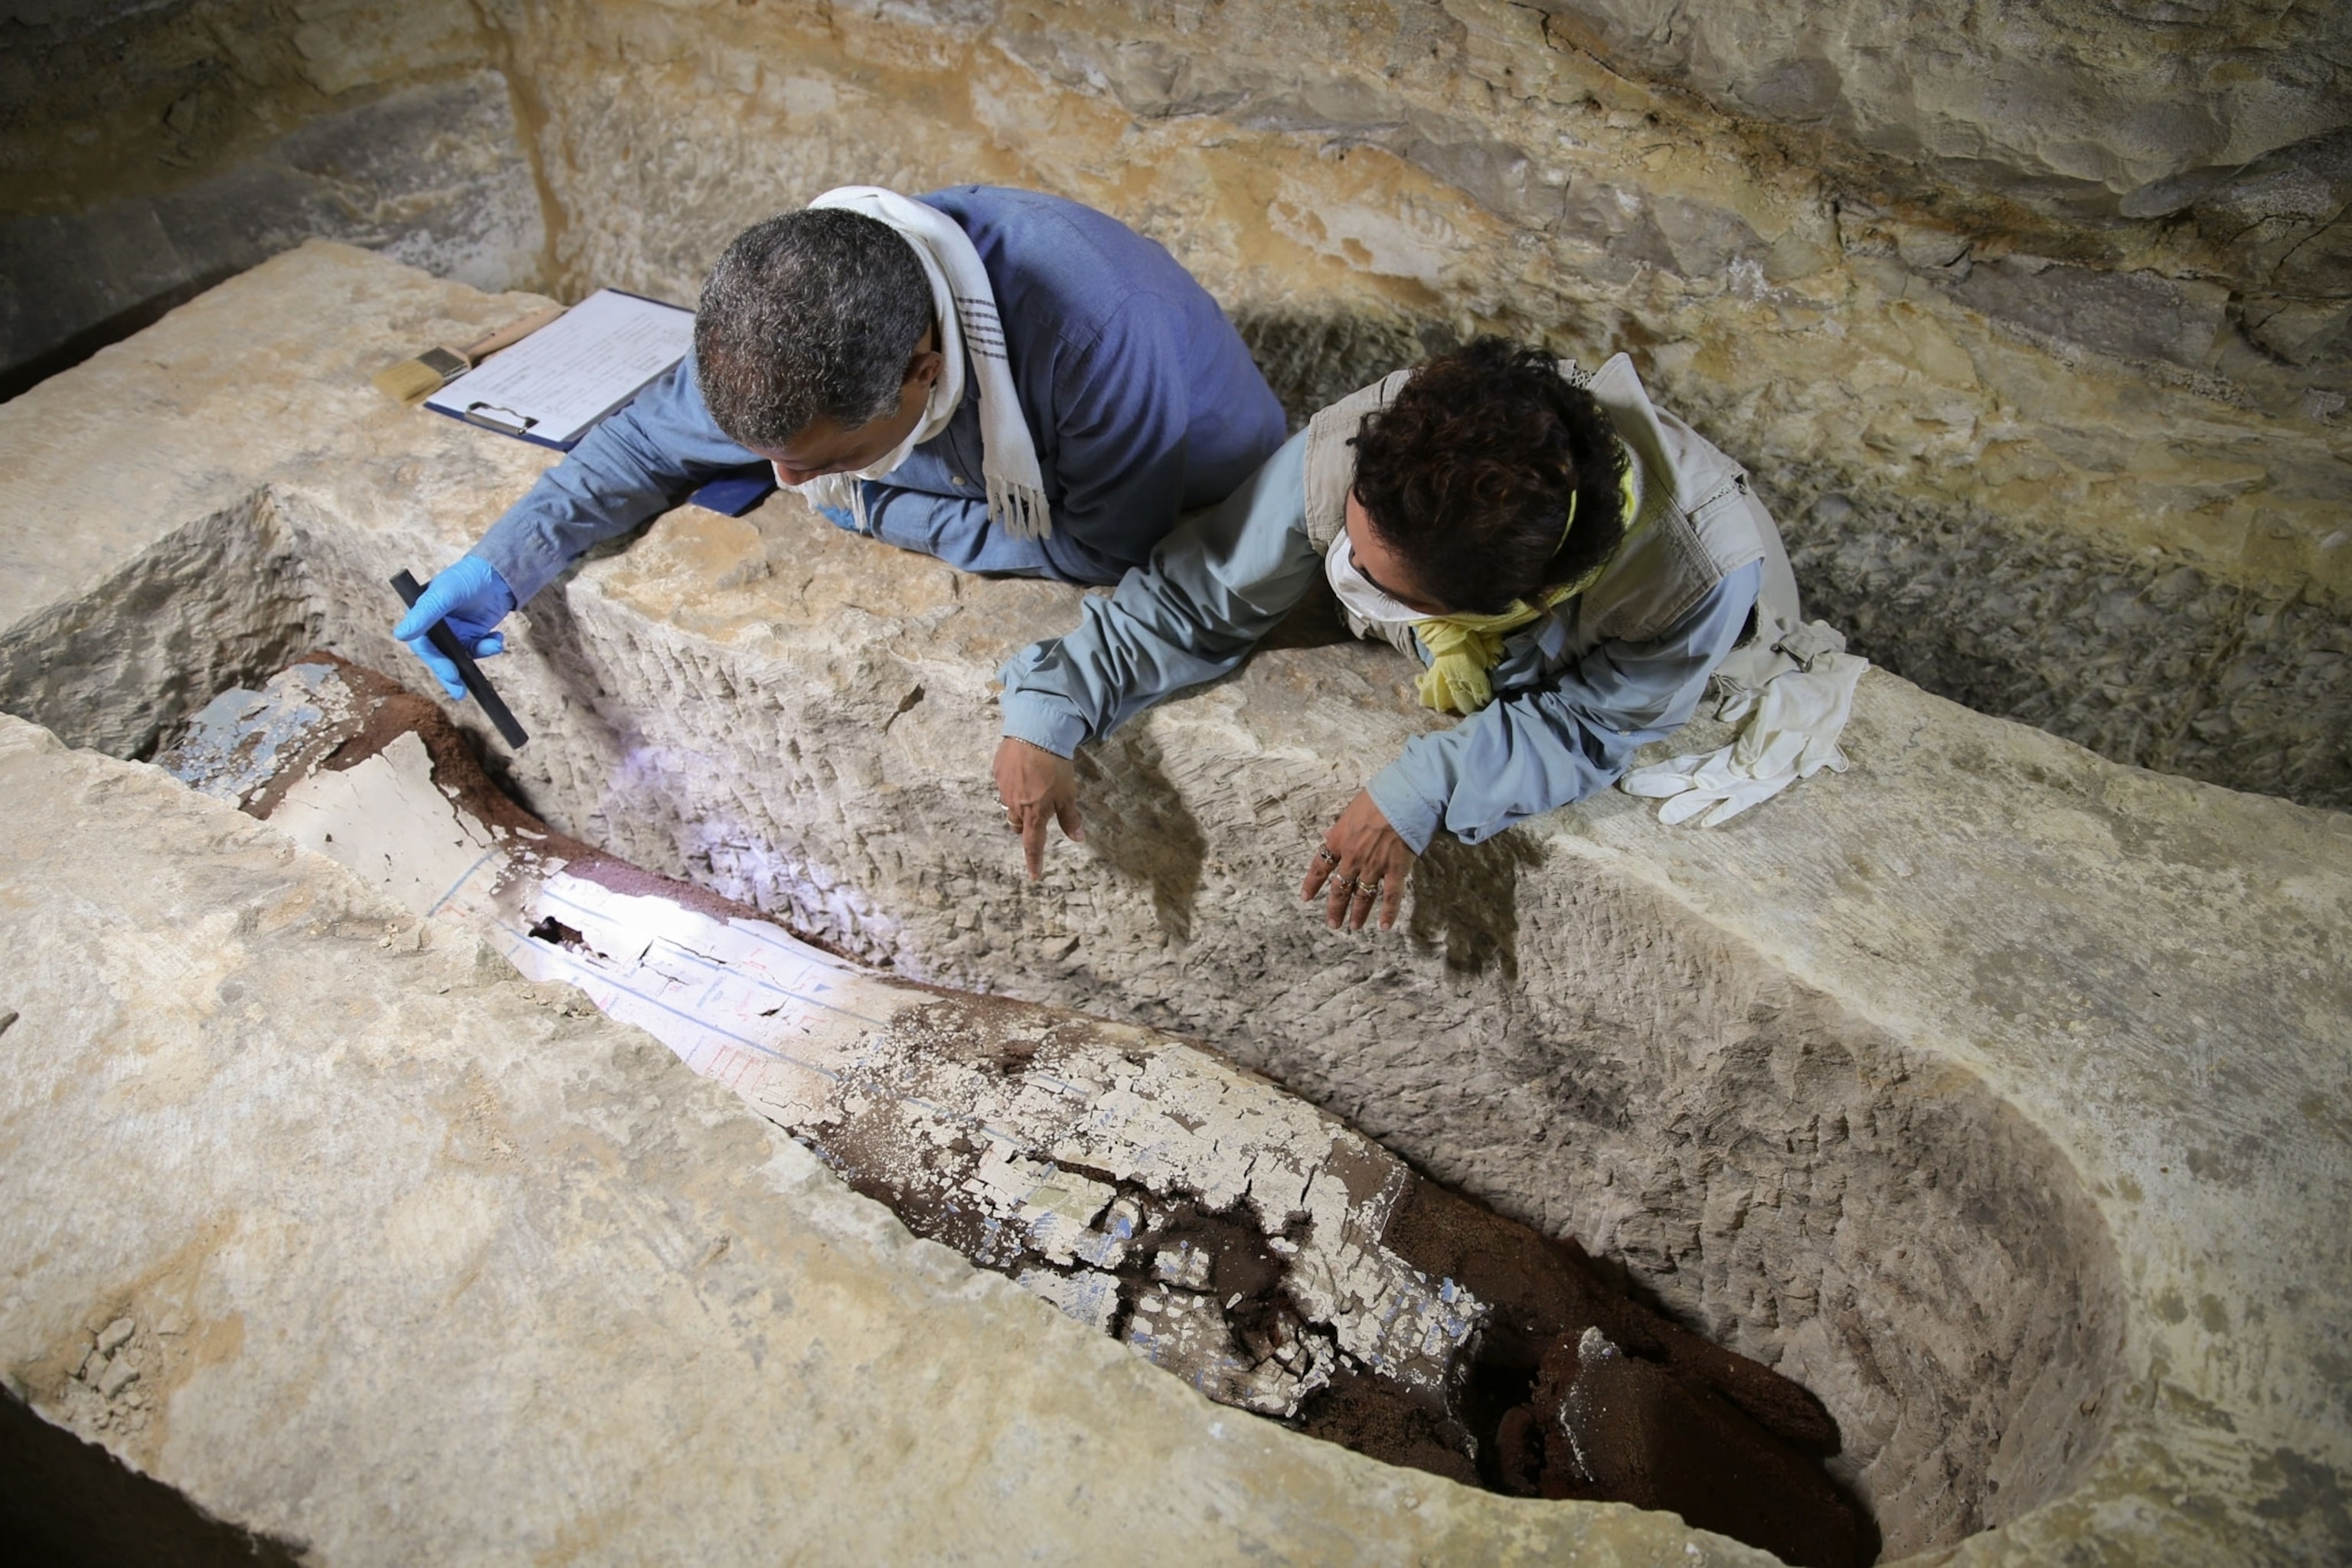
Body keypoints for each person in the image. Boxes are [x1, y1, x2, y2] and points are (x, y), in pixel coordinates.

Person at [991, 338, 1814, 930]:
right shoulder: (1390, 436)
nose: (1345, 569)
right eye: (1351, 543)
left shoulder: (1692, 580)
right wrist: (1053, 703)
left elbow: (1592, 722)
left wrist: (1428, 785)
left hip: (1690, 618)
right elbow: (1200, 593)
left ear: (1518, 603)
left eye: (1384, 585)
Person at [394, 185, 1289, 698]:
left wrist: (873, 507)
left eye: (819, 461)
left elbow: (1105, 543)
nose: (786, 483)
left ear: (922, 373)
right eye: (773, 456)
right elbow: (643, 446)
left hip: (1194, 482)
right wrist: (500, 567)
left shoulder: (1094, 337)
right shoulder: (785, 316)